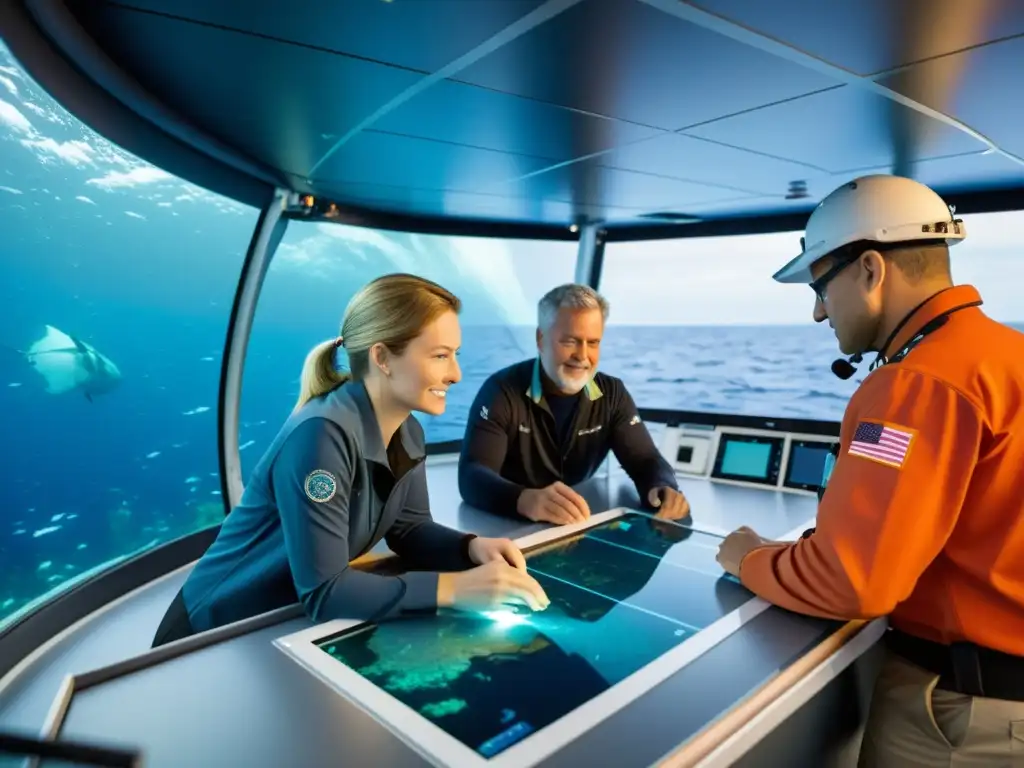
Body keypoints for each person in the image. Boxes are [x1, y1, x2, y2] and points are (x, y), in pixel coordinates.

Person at [714, 175, 1024, 766]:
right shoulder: (1005, 354)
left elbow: (854, 582)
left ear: (871, 270)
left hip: (962, 717)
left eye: (821, 287)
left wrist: (748, 559)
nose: (817, 312)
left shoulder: (916, 384)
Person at [152, 274, 549, 648]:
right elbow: (326, 593)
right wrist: (456, 590)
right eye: (441, 356)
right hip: (211, 633)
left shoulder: (408, 430)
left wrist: (471, 548)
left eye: (455, 355)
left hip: (277, 626)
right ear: (383, 357)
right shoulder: (320, 437)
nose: (457, 375)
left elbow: (409, 528)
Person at [458, 283, 688, 526]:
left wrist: (663, 487)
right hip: (506, 527)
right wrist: (524, 500)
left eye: (593, 343)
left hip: (579, 521)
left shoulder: (612, 394)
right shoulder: (501, 391)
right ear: (541, 339)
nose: (583, 355)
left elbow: (645, 459)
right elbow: (472, 474)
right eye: (570, 341)